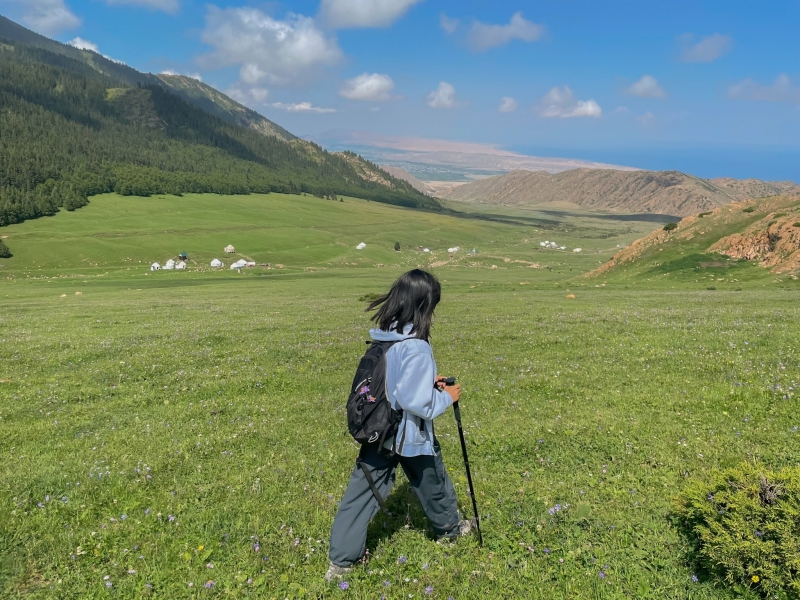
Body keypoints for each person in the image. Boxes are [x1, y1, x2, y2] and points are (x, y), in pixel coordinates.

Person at [325, 269, 473, 582]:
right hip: (409, 434)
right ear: (425, 306)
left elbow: (396, 383)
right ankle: (450, 532)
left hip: (378, 430)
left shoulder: (385, 336)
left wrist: (426, 382)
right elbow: (415, 401)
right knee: (433, 479)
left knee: (361, 492)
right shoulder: (417, 346)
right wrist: (447, 396)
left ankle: (341, 562)